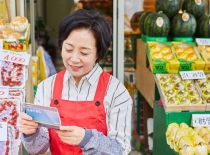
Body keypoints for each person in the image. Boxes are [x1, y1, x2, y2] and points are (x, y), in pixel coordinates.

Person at [19, 9, 132, 155]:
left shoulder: (116, 92)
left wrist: (87, 138)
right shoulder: (47, 87)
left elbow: (120, 149)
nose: (74, 59)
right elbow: (38, 149)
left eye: (84, 53)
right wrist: (31, 133)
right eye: (68, 49)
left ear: (98, 53)